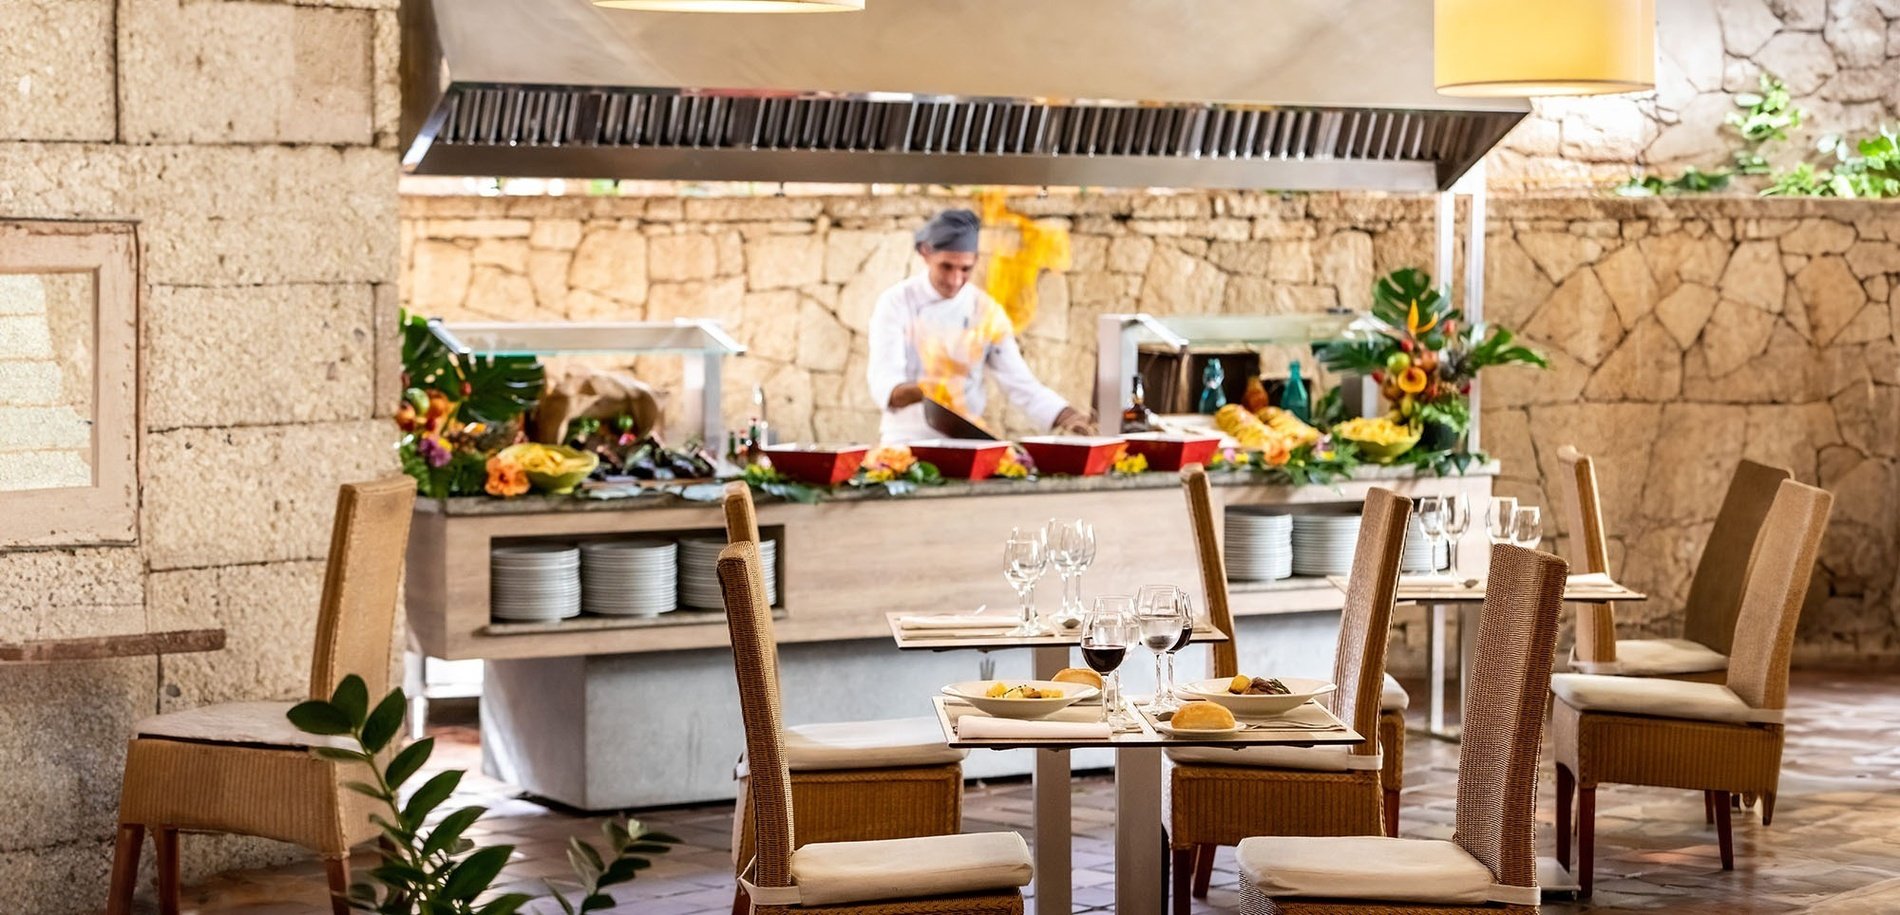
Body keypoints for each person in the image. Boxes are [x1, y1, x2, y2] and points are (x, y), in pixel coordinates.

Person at [865, 208, 1095, 444]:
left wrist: (1070, 417)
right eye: (946, 266)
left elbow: (1022, 385)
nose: (955, 279)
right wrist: (926, 391)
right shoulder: (896, 303)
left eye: (965, 269)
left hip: (968, 444)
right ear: (926, 254)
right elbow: (885, 382)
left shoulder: (986, 312)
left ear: (975, 260)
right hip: (905, 441)